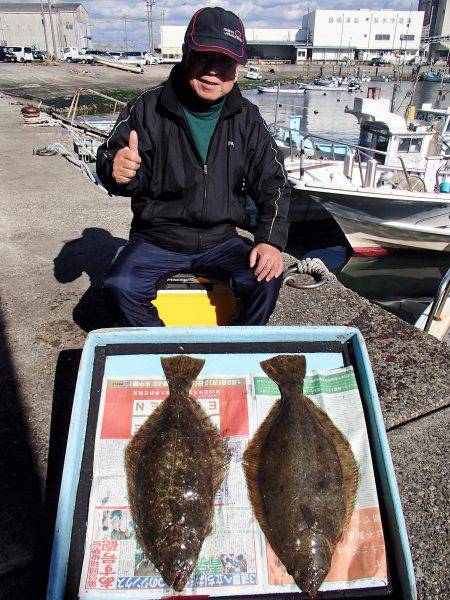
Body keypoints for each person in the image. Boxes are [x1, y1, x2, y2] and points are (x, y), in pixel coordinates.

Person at [96, 6, 290, 327]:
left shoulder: (248, 118)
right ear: (186, 54)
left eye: (225, 61)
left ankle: (236, 350)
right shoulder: (146, 107)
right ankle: (168, 354)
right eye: (204, 57)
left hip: (221, 240)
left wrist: (269, 242)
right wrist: (115, 170)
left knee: (266, 279)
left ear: (238, 69)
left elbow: (275, 183)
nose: (213, 71)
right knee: (119, 287)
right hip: (156, 239)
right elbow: (115, 161)